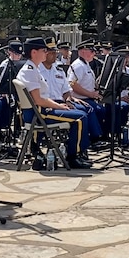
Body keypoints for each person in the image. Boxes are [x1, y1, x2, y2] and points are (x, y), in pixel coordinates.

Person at [16, 37, 92, 169]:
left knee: (81, 113)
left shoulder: (33, 68)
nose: (47, 52)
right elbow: (39, 100)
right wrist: (59, 106)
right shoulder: (30, 70)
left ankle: (75, 152)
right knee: (80, 117)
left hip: (42, 109)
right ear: (34, 52)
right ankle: (73, 156)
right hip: (39, 114)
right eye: (44, 50)